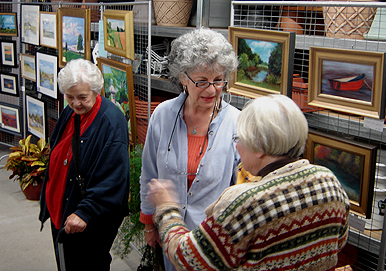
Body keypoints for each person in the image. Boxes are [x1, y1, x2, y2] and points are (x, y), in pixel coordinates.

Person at [147, 94, 351, 270]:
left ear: (260, 148)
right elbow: (338, 243)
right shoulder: (329, 181)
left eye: (240, 139)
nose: (237, 147)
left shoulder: (245, 202)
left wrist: (167, 208)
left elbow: (187, 259)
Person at [139, 28, 241, 271]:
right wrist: (149, 223)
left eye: (218, 80)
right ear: (183, 78)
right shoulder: (163, 115)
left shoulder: (236, 124)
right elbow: (149, 172)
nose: (212, 90)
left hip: (214, 247)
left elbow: (241, 190)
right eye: (202, 81)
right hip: (169, 238)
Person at [39, 59, 130, 271]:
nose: (75, 103)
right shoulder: (71, 112)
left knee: (87, 264)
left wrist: (86, 212)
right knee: (66, 262)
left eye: (82, 97)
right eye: (69, 97)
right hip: (63, 211)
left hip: (88, 218)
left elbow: (114, 178)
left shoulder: (110, 122)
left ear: (96, 91)